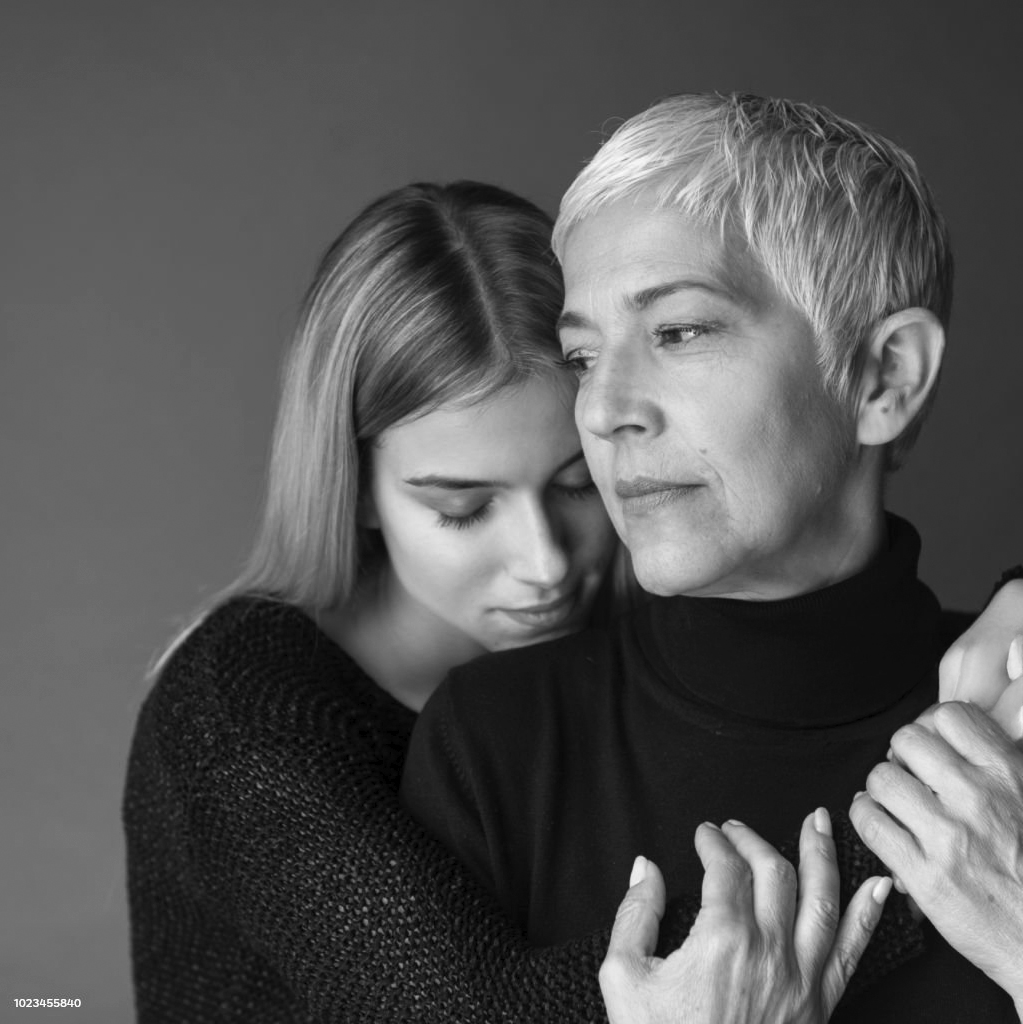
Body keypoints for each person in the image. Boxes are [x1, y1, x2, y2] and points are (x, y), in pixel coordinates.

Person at [124, 180, 901, 1023]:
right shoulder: (243, 715)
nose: (545, 565)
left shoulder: (630, 621)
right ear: (353, 491)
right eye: (464, 508)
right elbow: (472, 1011)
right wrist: (946, 847)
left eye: (575, 488)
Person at [400, 94, 1023, 1023]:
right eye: (580, 357)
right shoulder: (496, 746)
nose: (606, 409)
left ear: (884, 378)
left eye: (680, 332)